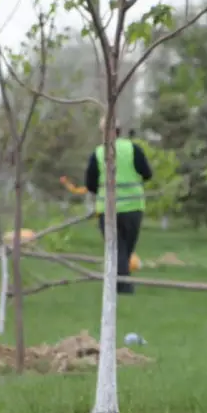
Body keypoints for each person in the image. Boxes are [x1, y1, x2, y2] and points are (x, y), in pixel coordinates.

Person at [85, 120, 153, 294]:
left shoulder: (99, 153)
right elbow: (147, 173)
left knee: (116, 249)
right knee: (126, 248)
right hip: (133, 207)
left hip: (107, 209)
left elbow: (90, 183)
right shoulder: (133, 149)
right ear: (119, 131)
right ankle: (123, 285)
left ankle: (120, 285)